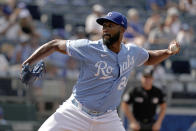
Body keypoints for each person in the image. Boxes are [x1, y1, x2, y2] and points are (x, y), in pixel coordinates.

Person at [22, 11, 180, 131]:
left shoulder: (132, 52)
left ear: (122, 29)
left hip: (107, 118)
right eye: (104, 25)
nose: (105, 29)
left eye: (110, 25)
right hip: (76, 111)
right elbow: (55, 44)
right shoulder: (89, 47)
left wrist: (168, 52)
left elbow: (150, 57)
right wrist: (28, 62)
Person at [121, 67, 167, 131]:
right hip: (137, 124)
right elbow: (124, 104)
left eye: (149, 78)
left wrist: (158, 122)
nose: (147, 80)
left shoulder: (157, 92)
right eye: (145, 77)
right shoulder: (135, 91)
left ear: (152, 79)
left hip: (152, 124)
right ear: (142, 78)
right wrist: (132, 121)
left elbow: (163, 107)